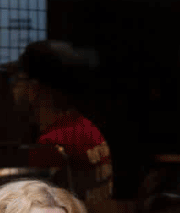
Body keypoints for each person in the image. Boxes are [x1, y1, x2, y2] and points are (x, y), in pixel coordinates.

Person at [11, 41, 113, 202]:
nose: (13, 87)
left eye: (17, 79)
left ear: (35, 88)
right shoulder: (86, 127)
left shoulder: (52, 146)